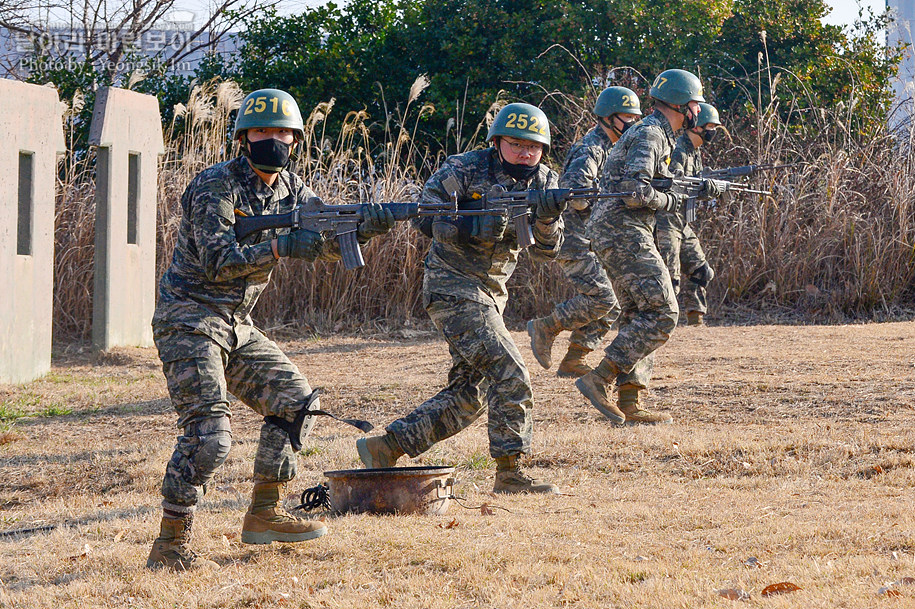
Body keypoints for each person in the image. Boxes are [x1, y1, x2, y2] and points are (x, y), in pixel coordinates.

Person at [147, 88, 395, 570]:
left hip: (237, 324)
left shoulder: (293, 189)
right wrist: (281, 247)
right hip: (189, 318)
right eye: (262, 131)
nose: (272, 140)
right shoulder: (215, 186)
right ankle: (170, 547)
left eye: (282, 132)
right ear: (244, 138)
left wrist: (363, 228)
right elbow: (220, 263)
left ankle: (264, 515)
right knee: (209, 436)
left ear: (296, 140)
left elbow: (320, 242)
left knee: (297, 401)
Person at [354, 103, 566, 494]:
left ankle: (386, 446)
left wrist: (547, 218)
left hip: (491, 296)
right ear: (497, 142)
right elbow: (422, 218)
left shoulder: (546, 183)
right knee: (510, 370)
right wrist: (469, 221)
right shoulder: (464, 168)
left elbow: (548, 253)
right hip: (451, 288)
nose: (525, 153)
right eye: (516, 144)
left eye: (533, 147)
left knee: (472, 393)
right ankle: (510, 473)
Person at [575, 69, 705, 425]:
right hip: (623, 231)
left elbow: (647, 183)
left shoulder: (657, 132)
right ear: (682, 104)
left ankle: (630, 401)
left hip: (620, 230)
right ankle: (599, 378)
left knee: (639, 314)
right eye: (695, 103)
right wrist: (672, 201)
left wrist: (684, 188)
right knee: (664, 312)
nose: (699, 110)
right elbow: (636, 194)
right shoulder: (651, 134)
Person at [527, 86, 642, 378]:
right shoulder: (590, 148)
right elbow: (575, 195)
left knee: (613, 302)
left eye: (635, 117)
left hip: (596, 238)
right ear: (608, 117)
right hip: (573, 238)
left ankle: (574, 359)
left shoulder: (618, 149)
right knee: (603, 298)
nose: (632, 123)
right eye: (626, 116)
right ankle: (546, 326)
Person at [655, 102, 721, 326]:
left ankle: (695, 320)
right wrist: (700, 187)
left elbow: (691, 191)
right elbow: (667, 185)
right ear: (697, 126)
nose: (713, 132)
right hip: (665, 222)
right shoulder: (677, 150)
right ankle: (660, 325)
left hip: (681, 222)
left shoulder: (695, 152)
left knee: (702, 271)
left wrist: (706, 190)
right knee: (669, 280)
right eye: (710, 126)